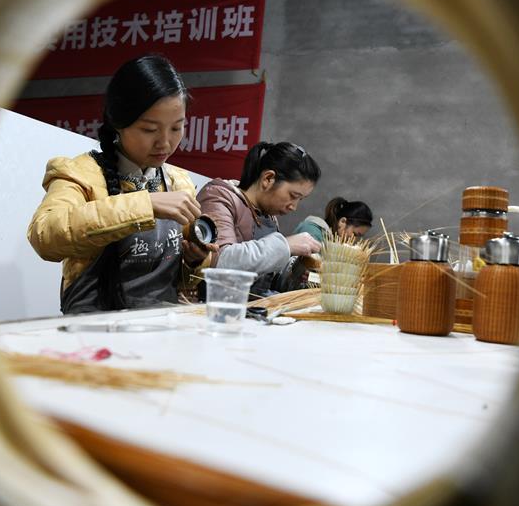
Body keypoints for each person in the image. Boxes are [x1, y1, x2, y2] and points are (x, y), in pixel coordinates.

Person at [27, 54, 214, 314]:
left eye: (176, 128)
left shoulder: (178, 182)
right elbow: (45, 236)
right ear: (118, 123)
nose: (165, 142)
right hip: (93, 331)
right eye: (149, 130)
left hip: (160, 327)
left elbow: (183, 280)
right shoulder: (81, 173)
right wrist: (144, 204)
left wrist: (196, 261)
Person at [197, 141, 321, 296]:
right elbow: (220, 262)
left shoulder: (268, 216)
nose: (293, 207)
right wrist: (286, 245)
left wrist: (298, 269)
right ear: (268, 179)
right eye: (293, 196)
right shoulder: (219, 197)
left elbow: (266, 282)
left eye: (300, 199)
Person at [294, 197, 373, 242]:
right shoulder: (312, 230)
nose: (354, 240)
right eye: (355, 234)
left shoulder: (333, 242)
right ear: (342, 222)